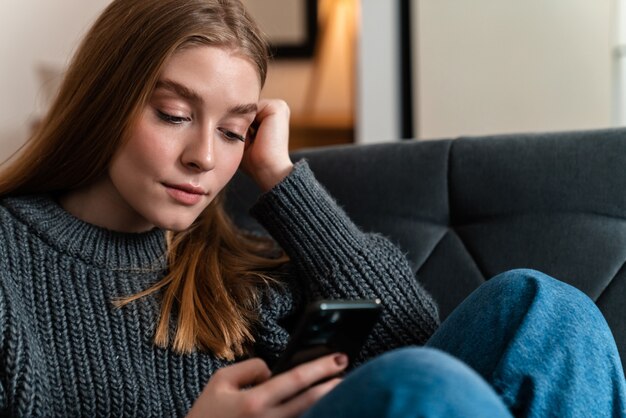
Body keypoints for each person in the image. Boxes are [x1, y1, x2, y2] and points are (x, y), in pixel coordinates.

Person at [0, 0, 624, 417]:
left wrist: (278, 175)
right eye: (175, 115)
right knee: (423, 388)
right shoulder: (8, 259)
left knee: (545, 309)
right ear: (102, 100)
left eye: (233, 130)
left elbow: (411, 336)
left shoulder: (238, 269)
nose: (203, 157)